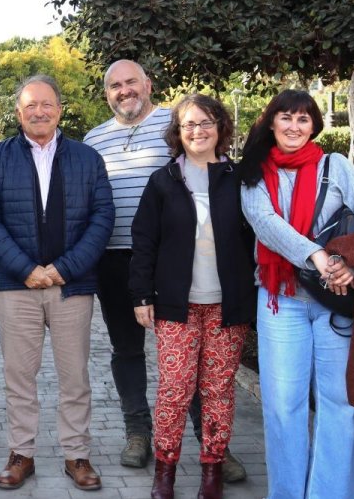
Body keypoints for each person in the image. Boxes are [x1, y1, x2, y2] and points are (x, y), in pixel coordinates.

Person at [83, 60, 246, 481]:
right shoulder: (94, 138)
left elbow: (209, 177)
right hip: (115, 260)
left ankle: (212, 442)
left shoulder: (176, 125)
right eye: (115, 85)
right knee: (126, 349)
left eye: (131, 82)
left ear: (148, 85)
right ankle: (138, 432)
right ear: (107, 93)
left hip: (174, 261)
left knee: (193, 362)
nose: (124, 91)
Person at [238, 89, 354, 499]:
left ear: (314, 125)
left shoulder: (336, 166)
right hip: (280, 300)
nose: (294, 126)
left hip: (336, 298)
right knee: (283, 405)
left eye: (303, 119)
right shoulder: (253, 171)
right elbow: (265, 223)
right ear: (271, 122)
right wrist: (317, 257)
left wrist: (351, 264)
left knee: (340, 404)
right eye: (286, 117)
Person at [0, 75, 114, 491]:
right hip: (17, 286)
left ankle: (77, 455)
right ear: (19, 113)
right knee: (19, 376)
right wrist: (26, 269)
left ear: (59, 110)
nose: (39, 112)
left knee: (75, 377)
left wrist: (63, 269)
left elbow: (102, 218)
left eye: (47, 104)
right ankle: (22, 454)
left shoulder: (87, 159)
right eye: (31, 105)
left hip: (71, 286)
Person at [129, 94, 257, 499]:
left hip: (227, 306)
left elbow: (256, 238)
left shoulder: (239, 178)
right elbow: (144, 241)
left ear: (220, 127)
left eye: (205, 122)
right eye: (189, 124)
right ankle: (164, 472)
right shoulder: (163, 181)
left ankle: (212, 472)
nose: (197, 131)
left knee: (218, 391)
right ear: (177, 132)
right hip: (176, 307)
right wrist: (141, 295)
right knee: (174, 389)